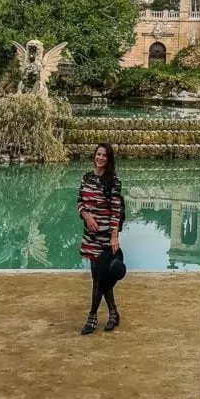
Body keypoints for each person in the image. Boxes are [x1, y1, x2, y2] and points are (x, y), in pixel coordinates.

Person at [77, 143, 125, 334]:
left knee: (99, 278)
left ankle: (92, 317)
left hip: (105, 238)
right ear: (94, 156)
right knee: (99, 277)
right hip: (90, 236)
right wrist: (87, 216)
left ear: (109, 159)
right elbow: (80, 202)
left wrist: (114, 236)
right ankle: (113, 313)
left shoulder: (113, 181)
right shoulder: (86, 177)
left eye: (104, 155)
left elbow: (116, 211)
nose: (101, 158)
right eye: (98, 154)